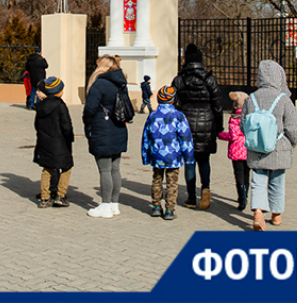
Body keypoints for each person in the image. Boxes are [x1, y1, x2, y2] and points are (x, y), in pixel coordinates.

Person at [241, 60, 297, 231]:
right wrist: (291, 144)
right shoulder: (284, 100)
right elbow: (293, 126)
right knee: (277, 180)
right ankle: (276, 214)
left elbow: (243, 124)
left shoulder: (251, 99)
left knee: (258, 180)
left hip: (256, 148)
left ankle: (258, 212)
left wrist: (254, 139)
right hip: (278, 147)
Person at [171, 43, 222, 210]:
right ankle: (205, 190)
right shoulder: (209, 78)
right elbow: (217, 105)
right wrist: (219, 126)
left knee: (190, 161)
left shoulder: (179, 79)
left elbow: (174, 104)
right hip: (206, 122)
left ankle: (191, 197)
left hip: (186, 122)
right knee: (204, 160)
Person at [82, 54, 128, 219]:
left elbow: (90, 109)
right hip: (119, 128)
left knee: (104, 169)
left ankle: (105, 205)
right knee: (115, 168)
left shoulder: (99, 83)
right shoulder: (121, 83)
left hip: (102, 128)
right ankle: (114, 204)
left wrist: (87, 124)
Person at [141, 84, 194, 221]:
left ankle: (156, 207)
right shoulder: (178, 115)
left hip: (156, 154)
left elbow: (146, 137)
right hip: (173, 156)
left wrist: (145, 155)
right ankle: (170, 209)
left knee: (156, 180)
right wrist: (188, 157)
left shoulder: (153, 115)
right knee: (172, 183)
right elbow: (185, 137)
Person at [34, 76, 74, 208]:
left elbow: (37, 125)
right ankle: (60, 195)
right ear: (59, 92)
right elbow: (66, 125)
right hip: (60, 143)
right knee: (66, 168)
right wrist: (70, 137)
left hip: (45, 142)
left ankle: (45, 197)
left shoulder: (40, 107)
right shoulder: (60, 106)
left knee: (47, 169)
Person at [217, 91, 250, 210]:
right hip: (249, 150)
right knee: (247, 174)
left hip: (237, 151)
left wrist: (220, 135)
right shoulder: (250, 117)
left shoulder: (234, 119)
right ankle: (245, 194)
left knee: (239, 175)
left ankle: (241, 199)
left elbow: (233, 136)